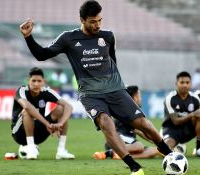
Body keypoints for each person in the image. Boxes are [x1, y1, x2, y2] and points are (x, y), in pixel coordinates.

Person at [20, 1, 172, 174]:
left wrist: (115, 84)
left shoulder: (108, 36)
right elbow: (42, 55)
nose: (97, 25)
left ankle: (170, 154)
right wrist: (28, 37)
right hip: (90, 94)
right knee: (106, 123)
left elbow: (112, 61)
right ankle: (134, 167)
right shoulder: (68, 38)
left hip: (114, 89)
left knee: (142, 123)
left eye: (100, 20)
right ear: (82, 20)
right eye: (93, 21)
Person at [11, 67, 74, 160]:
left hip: (39, 134)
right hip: (19, 134)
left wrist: (60, 123)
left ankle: (61, 150)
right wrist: (47, 124)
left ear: (43, 81)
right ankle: (31, 148)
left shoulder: (46, 91)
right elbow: (28, 107)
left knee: (61, 109)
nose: (36, 84)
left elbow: (69, 106)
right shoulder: (22, 91)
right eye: (33, 81)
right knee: (27, 111)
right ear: (28, 80)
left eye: (39, 81)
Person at [93, 85, 160, 160]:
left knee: (154, 150)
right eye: (139, 96)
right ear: (135, 98)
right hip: (119, 141)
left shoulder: (131, 111)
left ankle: (118, 156)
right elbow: (141, 131)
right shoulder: (129, 112)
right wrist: (159, 142)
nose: (140, 99)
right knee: (139, 146)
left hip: (128, 143)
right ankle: (109, 153)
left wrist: (159, 144)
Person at [160, 71, 200, 157]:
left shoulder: (195, 99)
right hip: (172, 129)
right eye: (182, 82)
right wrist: (193, 114)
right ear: (176, 83)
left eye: (187, 82)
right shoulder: (170, 98)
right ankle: (174, 144)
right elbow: (175, 121)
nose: (185, 85)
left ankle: (199, 149)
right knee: (164, 151)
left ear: (191, 84)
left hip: (188, 129)